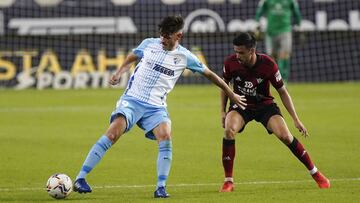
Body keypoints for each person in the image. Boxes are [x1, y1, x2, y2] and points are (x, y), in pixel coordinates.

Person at [72, 15, 247, 198]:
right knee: (113, 133)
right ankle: (81, 178)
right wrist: (119, 72)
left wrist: (231, 93)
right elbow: (132, 56)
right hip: (132, 100)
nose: (162, 39)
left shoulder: (185, 56)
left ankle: (161, 187)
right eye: (161, 35)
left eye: (167, 36)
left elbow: (211, 75)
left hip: (156, 108)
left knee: (165, 137)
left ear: (178, 36)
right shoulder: (149, 43)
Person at [219, 32, 330, 192]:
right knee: (229, 130)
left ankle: (316, 173)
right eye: (235, 51)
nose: (237, 56)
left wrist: (296, 119)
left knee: (285, 136)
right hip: (241, 104)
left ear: (252, 50)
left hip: (264, 105)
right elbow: (224, 85)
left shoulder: (268, 64)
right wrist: (222, 111)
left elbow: (283, 92)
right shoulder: (231, 63)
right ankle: (228, 181)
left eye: (241, 52)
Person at [255, 0, 302, 82]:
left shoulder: (291, 1)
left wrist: (299, 26)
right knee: (272, 57)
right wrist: (257, 23)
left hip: (285, 31)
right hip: (271, 32)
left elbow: (296, 12)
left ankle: (284, 80)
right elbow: (259, 11)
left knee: (284, 55)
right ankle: (272, 79)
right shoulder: (266, 1)